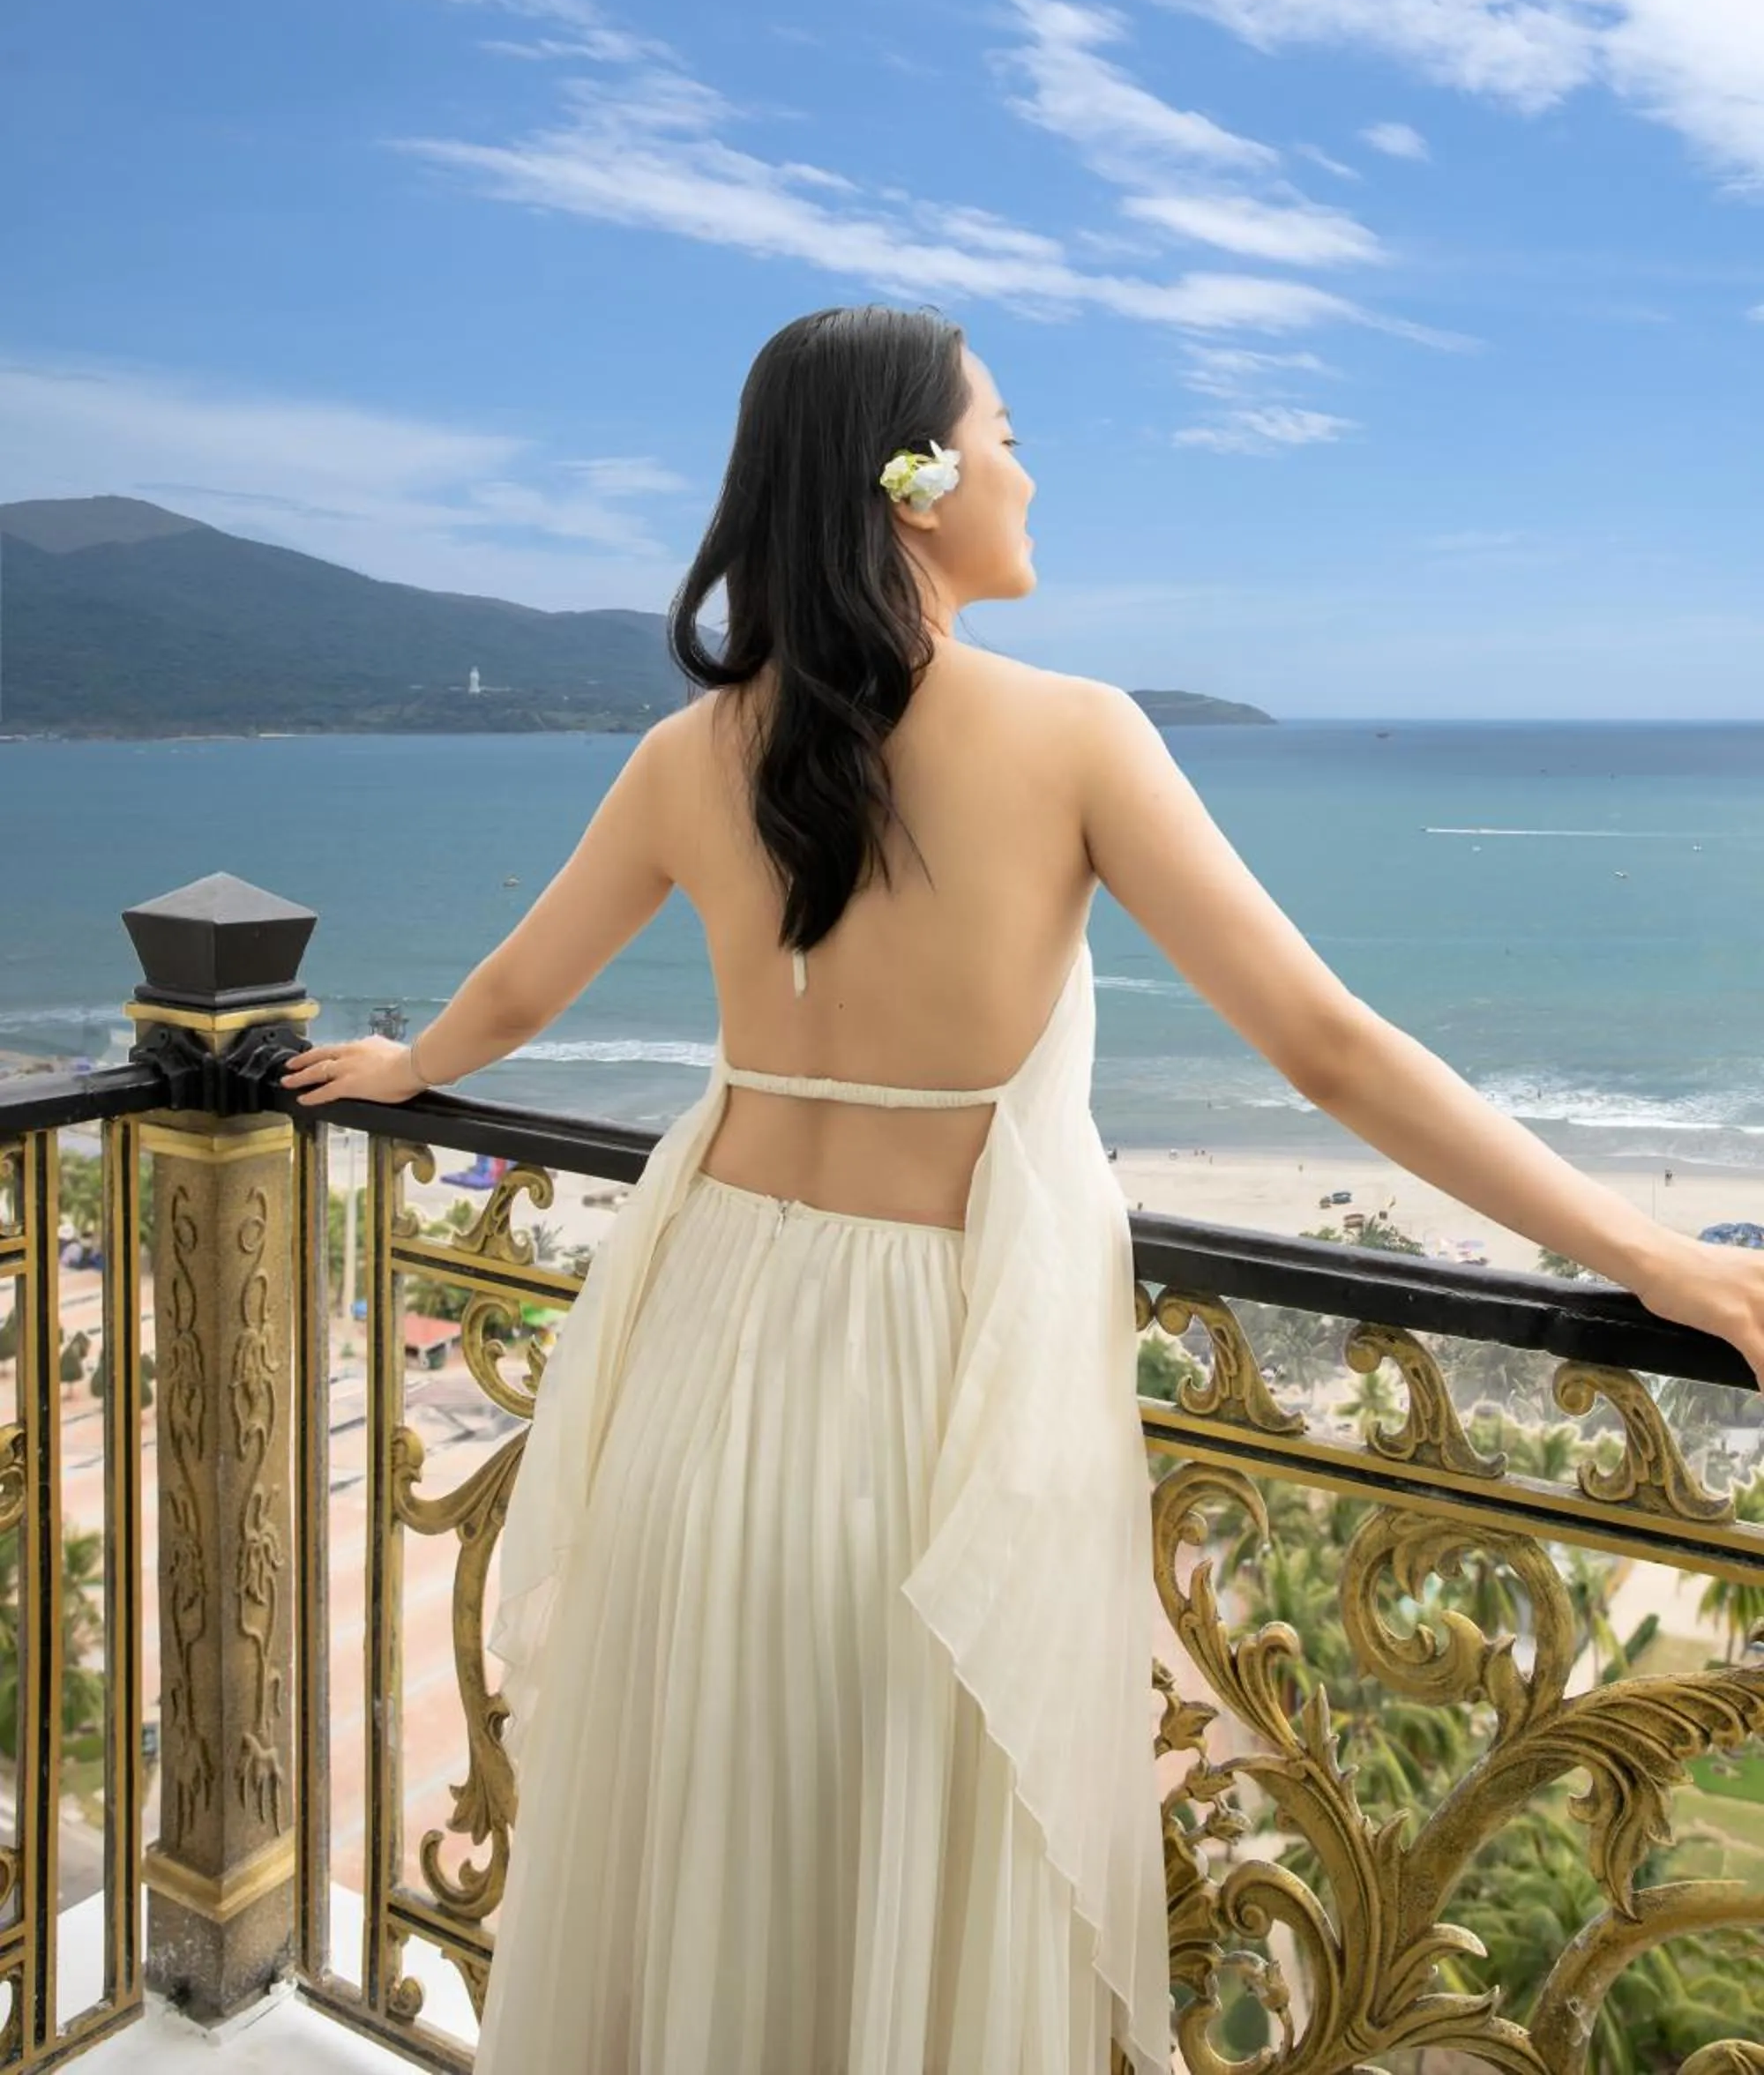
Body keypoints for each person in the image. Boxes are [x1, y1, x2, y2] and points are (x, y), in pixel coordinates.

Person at [280, 304, 1764, 2075]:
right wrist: (1631, 1246)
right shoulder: (1074, 735)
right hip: (934, 1386)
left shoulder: (690, 755)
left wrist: (400, 1063)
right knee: (895, 1875)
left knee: (708, 1849)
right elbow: (1325, 1047)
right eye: (1004, 432)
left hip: (706, 1354)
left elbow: (519, 999)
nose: (1030, 470)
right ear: (913, 484)